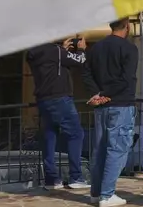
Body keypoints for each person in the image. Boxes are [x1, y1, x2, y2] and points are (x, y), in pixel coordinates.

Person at [82, 18, 138, 207]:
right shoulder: (129, 49)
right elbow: (126, 79)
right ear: (127, 26)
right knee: (117, 149)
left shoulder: (96, 48)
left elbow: (86, 73)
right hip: (120, 104)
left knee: (100, 149)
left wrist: (97, 94)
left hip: (101, 105)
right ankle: (107, 195)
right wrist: (106, 94)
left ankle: (96, 193)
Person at [27, 36, 90, 190]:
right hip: (60, 99)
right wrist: (81, 48)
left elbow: (54, 63)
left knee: (50, 136)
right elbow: (80, 60)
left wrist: (62, 50)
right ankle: (76, 177)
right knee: (76, 134)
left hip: (43, 100)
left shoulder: (32, 52)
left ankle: (52, 179)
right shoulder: (55, 51)